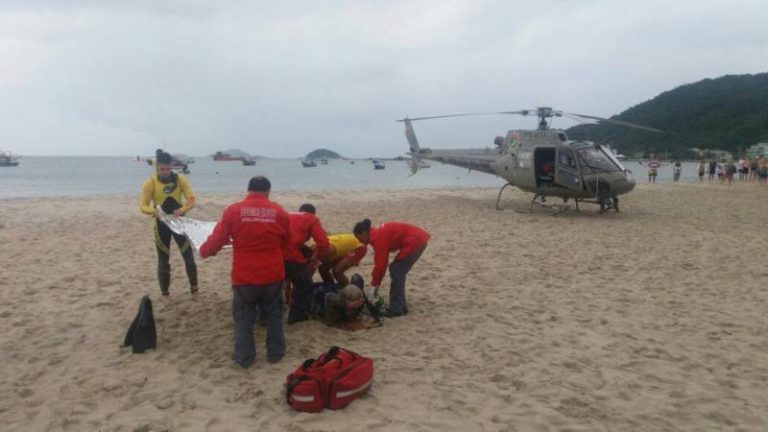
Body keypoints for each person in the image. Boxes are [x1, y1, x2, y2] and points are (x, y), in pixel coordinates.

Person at [200, 176, 290, 368]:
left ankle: (245, 357)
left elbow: (219, 238)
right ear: (268, 191)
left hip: (245, 275)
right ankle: (275, 353)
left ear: (248, 190)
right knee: (274, 315)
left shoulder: (234, 211)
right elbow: (287, 241)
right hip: (272, 272)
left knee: (243, 318)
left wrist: (205, 251)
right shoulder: (279, 212)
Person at [139, 149, 198, 296]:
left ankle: (194, 287)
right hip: (162, 225)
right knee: (163, 260)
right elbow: (143, 206)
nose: (165, 172)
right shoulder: (150, 183)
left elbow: (192, 200)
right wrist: (154, 212)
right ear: (157, 168)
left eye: (168, 168)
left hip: (179, 223)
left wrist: (182, 210)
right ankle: (165, 292)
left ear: (172, 166)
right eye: (162, 169)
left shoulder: (180, 179)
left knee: (188, 256)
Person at [353, 219, 430, 317]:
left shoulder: (377, 237)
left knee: (397, 270)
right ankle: (401, 306)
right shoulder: (376, 233)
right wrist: (376, 283)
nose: (359, 241)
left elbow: (381, 263)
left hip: (415, 241)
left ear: (364, 233)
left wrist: (374, 284)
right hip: (418, 238)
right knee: (397, 269)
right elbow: (382, 262)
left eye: (358, 238)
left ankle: (397, 308)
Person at [284, 203, 329, 324]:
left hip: (274, 253)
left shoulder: (287, 215)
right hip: (290, 255)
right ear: (313, 214)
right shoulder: (311, 219)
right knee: (305, 284)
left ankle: (264, 316)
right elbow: (324, 243)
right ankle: (297, 317)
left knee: (274, 284)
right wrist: (316, 260)